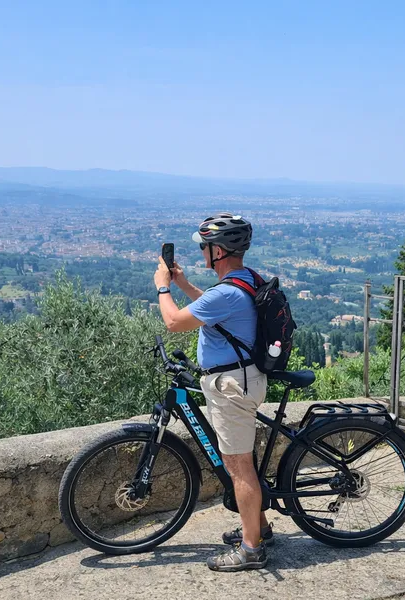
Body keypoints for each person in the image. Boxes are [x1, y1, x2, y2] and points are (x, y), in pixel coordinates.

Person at [152, 212, 271, 572]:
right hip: (241, 379)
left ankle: (251, 549)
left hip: (232, 386)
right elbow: (216, 310)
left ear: (218, 250)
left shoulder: (228, 292)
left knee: (239, 468)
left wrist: (163, 286)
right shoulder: (243, 281)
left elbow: (173, 322)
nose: (203, 250)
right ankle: (259, 527)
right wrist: (186, 286)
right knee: (241, 464)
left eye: (205, 245)